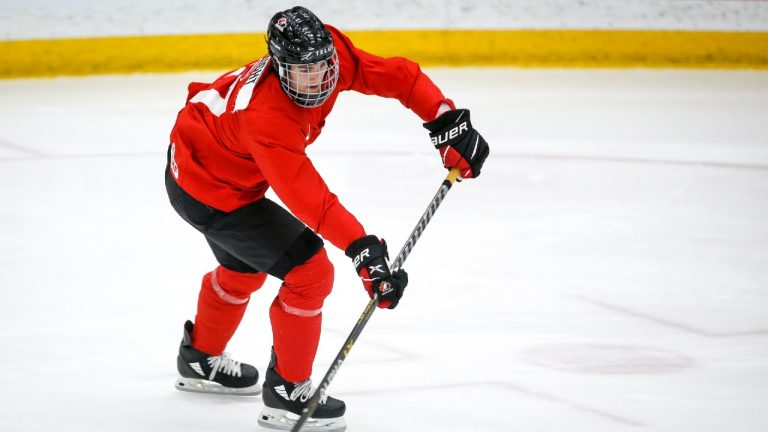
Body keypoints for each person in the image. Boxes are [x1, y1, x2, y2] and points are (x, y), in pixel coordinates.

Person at [164, 6, 489, 432]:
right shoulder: (267, 117)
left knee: (243, 267)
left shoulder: (331, 54)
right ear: (281, 69)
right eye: (303, 71)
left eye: (322, 65)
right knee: (310, 272)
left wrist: (445, 119)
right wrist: (363, 250)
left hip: (203, 163)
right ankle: (286, 394)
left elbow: (399, 76)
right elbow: (308, 197)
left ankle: (199, 360)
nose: (317, 78)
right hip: (207, 189)